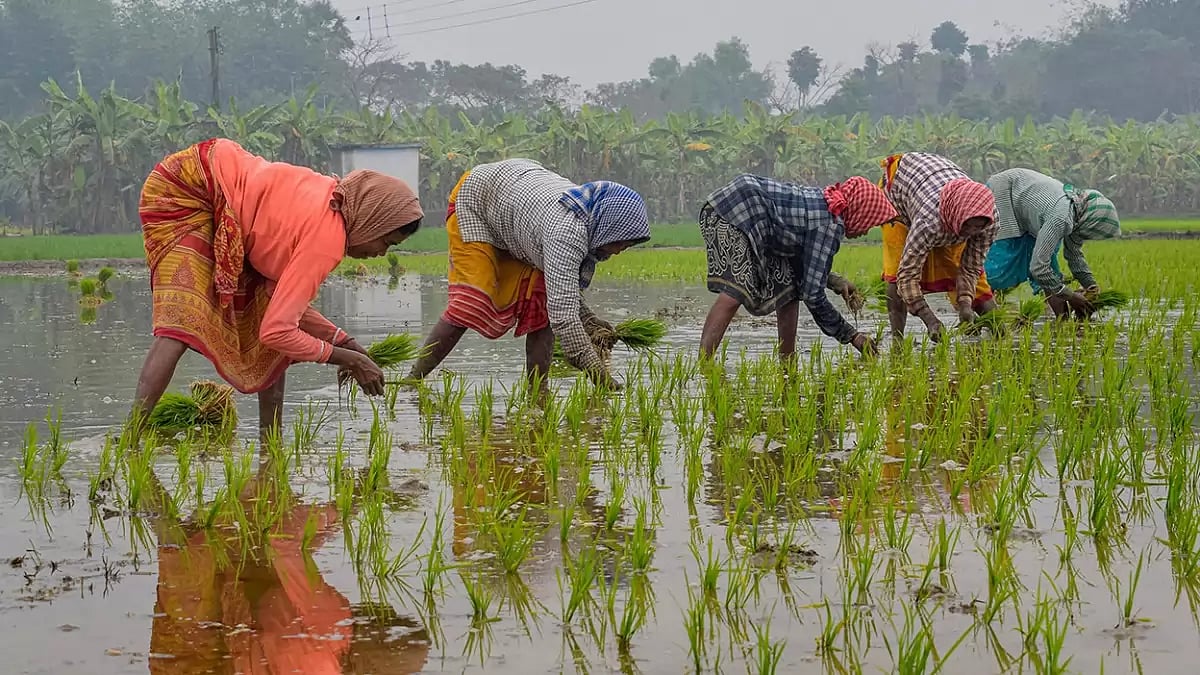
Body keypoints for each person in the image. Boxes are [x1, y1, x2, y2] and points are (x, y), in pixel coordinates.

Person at [131, 138, 423, 437]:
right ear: (372, 220)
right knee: (181, 321)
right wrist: (349, 359)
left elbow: (281, 310)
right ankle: (130, 440)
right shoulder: (327, 241)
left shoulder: (333, 204)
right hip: (190, 187)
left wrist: (345, 343)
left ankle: (270, 443)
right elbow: (278, 330)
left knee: (262, 312)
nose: (381, 253)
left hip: (223, 185)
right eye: (386, 242)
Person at [407, 159, 650, 391]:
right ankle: (413, 380)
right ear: (607, 227)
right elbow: (564, 318)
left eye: (627, 246)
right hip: (478, 198)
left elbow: (561, 291)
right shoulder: (565, 233)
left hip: (517, 203)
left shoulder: (590, 217)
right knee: (470, 302)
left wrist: (589, 321)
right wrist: (600, 376)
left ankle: (538, 392)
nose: (619, 251)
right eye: (620, 242)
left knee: (541, 303)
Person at [697, 174, 899, 360]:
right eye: (870, 222)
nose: (866, 230)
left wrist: (835, 281)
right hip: (735, 211)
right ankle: (704, 363)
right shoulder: (830, 223)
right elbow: (813, 295)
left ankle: (787, 362)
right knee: (736, 289)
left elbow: (805, 266)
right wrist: (852, 336)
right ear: (860, 211)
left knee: (789, 289)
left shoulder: (828, 207)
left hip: (751, 216)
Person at [878, 152, 999, 341]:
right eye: (968, 226)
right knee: (896, 271)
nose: (970, 232)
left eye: (977, 227)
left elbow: (970, 268)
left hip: (942, 193)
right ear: (958, 216)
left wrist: (965, 304)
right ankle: (897, 340)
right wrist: (930, 319)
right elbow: (907, 276)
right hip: (898, 192)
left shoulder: (989, 221)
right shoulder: (928, 222)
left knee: (967, 271)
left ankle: (998, 332)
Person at [985, 168, 1120, 319]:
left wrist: (1091, 286)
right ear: (1091, 223)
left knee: (1051, 271)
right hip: (1005, 191)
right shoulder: (1061, 218)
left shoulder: (1077, 215)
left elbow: (1074, 256)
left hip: (1026, 207)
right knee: (1003, 261)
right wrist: (1071, 296)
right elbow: (1038, 268)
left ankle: (1063, 321)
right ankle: (978, 309)